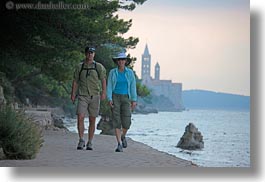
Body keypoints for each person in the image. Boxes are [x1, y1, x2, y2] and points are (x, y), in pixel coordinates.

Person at [71, 46, 106, 150]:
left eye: (92, 53)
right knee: (80, 117)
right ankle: (81, 140)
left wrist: (104, 92)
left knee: (92, 119)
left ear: (94, 54)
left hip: (95, 95)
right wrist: (73, 94)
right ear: (85, 54)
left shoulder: (98, 67)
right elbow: (75, 81)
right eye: (88, 53)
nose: (90, 54)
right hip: (82, 95)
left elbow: (103, 79)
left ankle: (90, 141)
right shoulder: (80, 67)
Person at [107, 52, 137, 152]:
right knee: (116, 120)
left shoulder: (130, 73)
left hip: (126, 97)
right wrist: (109, 98)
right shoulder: (112, 72)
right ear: (117, 61)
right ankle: (119, 144)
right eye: (119, 60)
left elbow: (133, 86)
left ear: (126, 61)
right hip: (115, 96)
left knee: (127, 122)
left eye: (123, 60)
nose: (121, 61)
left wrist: (134, 99)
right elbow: (109, 86)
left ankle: (123, 136)